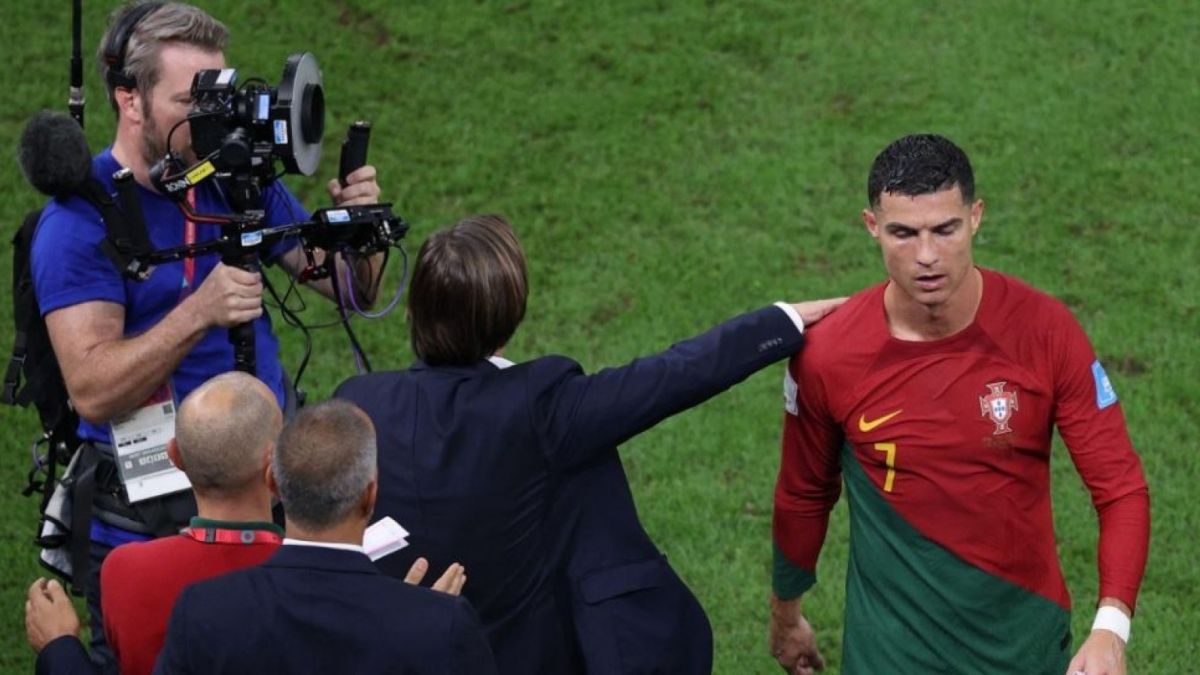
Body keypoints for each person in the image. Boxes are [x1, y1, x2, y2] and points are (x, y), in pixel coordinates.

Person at [30, 2, 384, 669]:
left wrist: (356, 230)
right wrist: (200, 310)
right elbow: (92, 389)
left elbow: (345, 287)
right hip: (146, 520)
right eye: (194, 97)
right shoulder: (79, 223)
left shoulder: (233, 179)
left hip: (264, 499)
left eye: (220, 89)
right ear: (128, 99)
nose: (216, 113)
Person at [334, 214, 845, 673]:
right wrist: (788, 321)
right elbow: (674, 374)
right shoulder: (540, 402)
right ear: (510, 313)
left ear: (416, 309)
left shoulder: (359, 403)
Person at [768, 134, 1150, 675]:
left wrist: (1111, 629)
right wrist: (786, 612)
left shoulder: (1046, 332)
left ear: (975, 217)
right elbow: (803, 494)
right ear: (872, 226)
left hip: (1024, 648)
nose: (926, 256)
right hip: (890, 656)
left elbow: (1120, 489)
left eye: (944, 229)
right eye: (903, 233)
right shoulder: (829, 355)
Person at [25, 372, 466, 674]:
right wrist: (399, 619)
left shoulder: (124, 571)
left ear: (174, 456)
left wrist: (61, 648)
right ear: (275, 468)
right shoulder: (321, 577)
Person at [153, 399, 497, 674]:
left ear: (273, 482)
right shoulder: (440, 626)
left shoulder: (202, 610)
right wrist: (417, 624)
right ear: (370, 495)